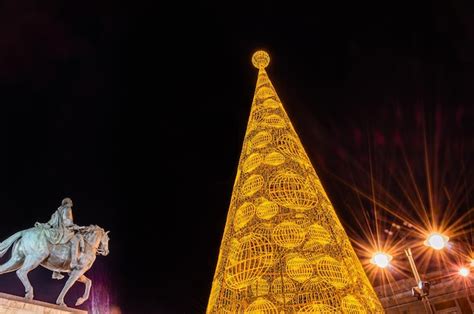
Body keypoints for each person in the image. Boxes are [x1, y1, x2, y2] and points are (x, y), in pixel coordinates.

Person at [36, 197, 85, 277]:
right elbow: (67, 222)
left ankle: (56, 271)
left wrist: (45, 225)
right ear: (68, 203)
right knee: (76, 240)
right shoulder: (67, 209)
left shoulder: (58, 211)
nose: (71, 204)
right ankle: (73, 262)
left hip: (56, 231)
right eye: (71, 203)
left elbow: (51, 221)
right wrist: (77, 227)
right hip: (64, 232)